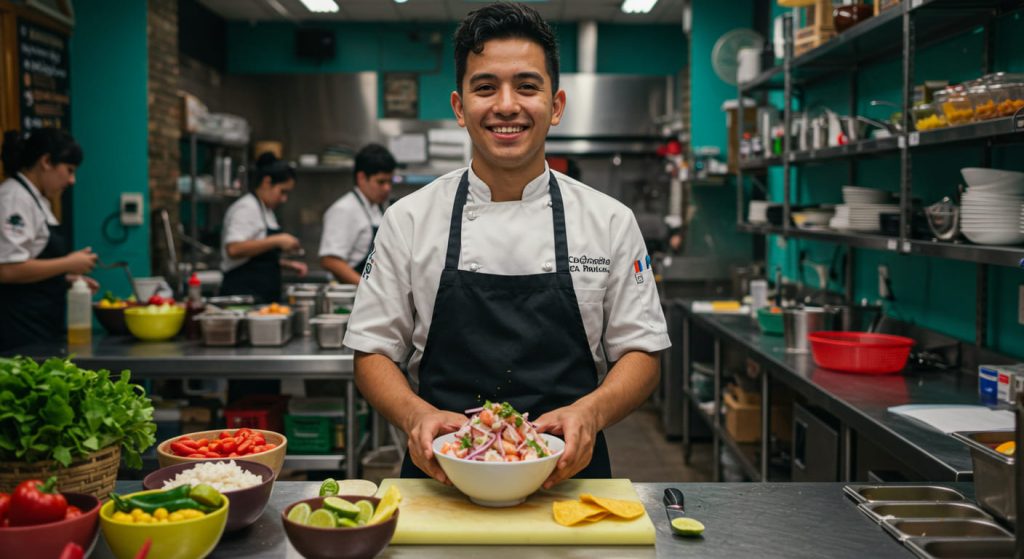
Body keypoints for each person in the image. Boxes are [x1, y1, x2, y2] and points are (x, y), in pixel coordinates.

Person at [344, 2, 670, 488]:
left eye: (527, 85)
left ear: (555, 106)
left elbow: (642, 353)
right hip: (441, 476)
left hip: (572, 479)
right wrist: (415, 417)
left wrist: (590, 413)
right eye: (484, 87)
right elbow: (371, 351)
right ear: (459, 107)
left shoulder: (610, 222)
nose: (506, 105)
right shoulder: (408, 219)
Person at [0, 128, 94, 351]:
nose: (72, 180)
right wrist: (68, 263)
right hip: (17, 331)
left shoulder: (37, 199)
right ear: (46, 162)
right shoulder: (14, 199)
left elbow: (29, 261)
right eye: (69, 170)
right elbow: (7, 269)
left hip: (39, 326)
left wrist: (66, 278)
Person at [219, 152, 307, 303]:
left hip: (261, 297)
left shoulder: (265, 210)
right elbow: (233, 249)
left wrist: (287, 264)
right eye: (282, 191)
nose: (284, 199)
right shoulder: (246, 208)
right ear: (267, 182)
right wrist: (277, 240)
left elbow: (257, 258)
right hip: (243, 297)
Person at [318, 144, 396, 284]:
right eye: (381, 182)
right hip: (353, 296)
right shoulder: (344, 209)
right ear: (361, 178)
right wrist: (367, 288)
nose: (387, 188)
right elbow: (330, 260)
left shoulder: (377, 208)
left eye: (390, 182)